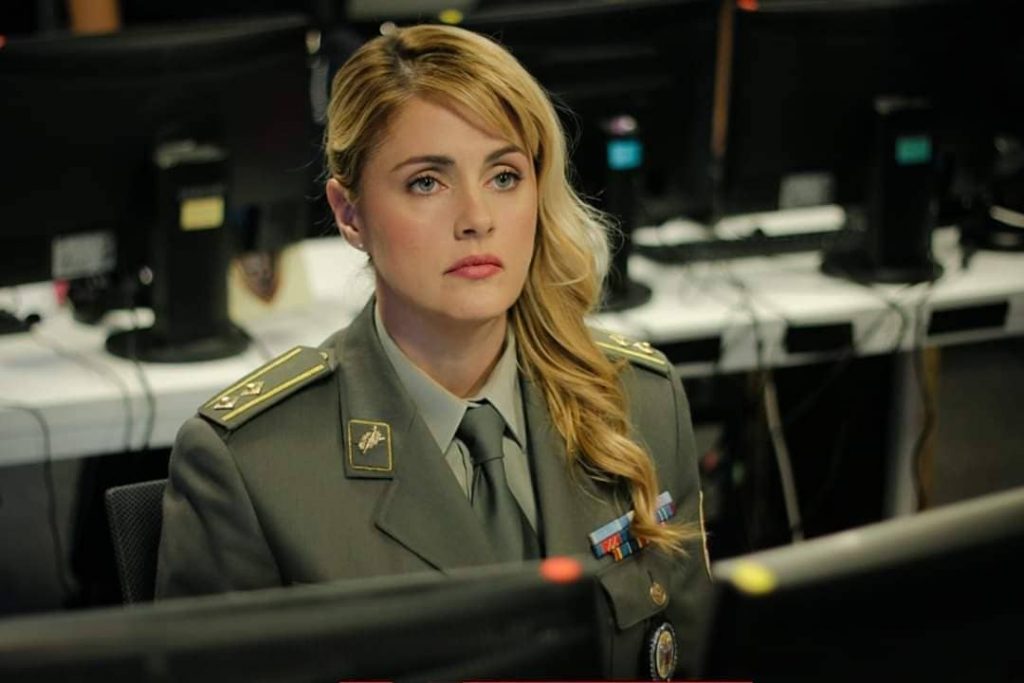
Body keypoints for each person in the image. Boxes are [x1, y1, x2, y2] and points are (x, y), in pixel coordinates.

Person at [155, 23, 711, 680]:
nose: (477, 217)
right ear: (350, 214)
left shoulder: (639, 400)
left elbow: (693, 656)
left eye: (504, 176)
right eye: (427, 182)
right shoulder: (253, 467)